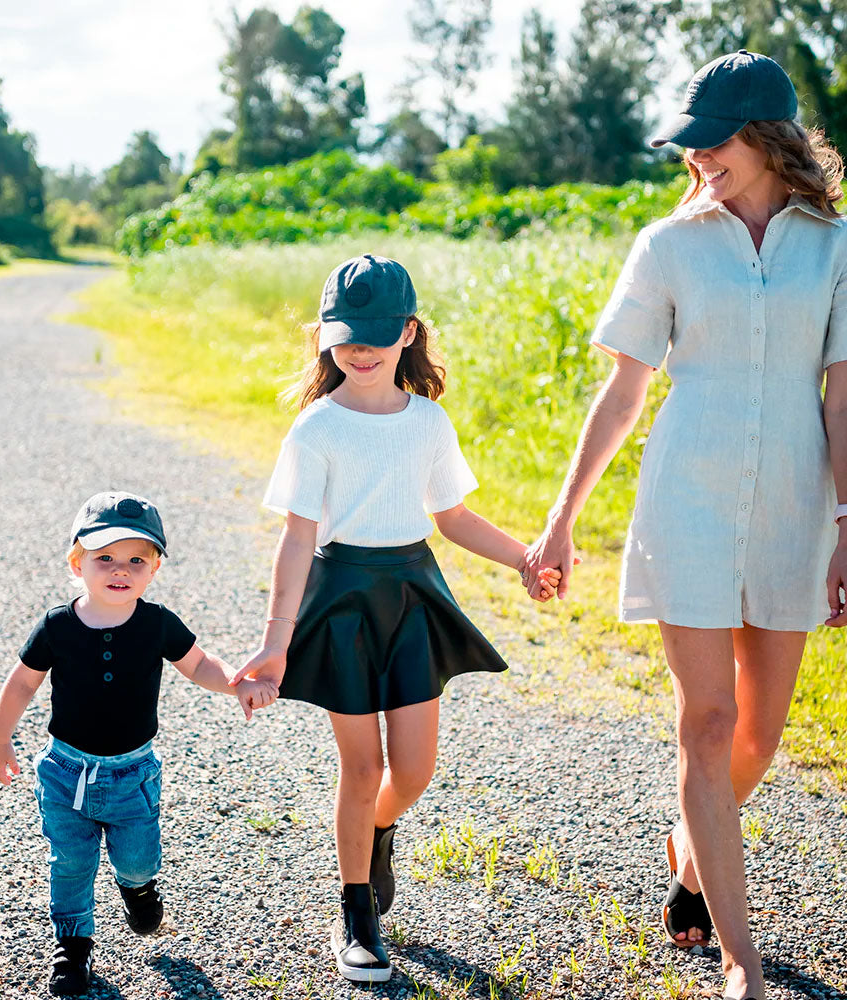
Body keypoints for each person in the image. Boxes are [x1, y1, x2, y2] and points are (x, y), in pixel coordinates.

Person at [522, 50, 847, 1000]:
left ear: (769, 138)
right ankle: (743, 961)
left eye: (713, 142)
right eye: (688, 147)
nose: (697, 161)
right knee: (709, 721)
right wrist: (563, 518)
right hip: (683, 501)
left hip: (795, 509)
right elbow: (622, 393)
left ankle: (692, 848)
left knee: (760, 738)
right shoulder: (667, 245)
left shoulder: (845, 249)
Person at [231, 254, 559, 983]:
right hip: (341, 597)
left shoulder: (428, 422)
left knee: (411, 771)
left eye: (379, 334)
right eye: (347, 336)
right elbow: (296, 540)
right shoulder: (316, 429)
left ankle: (378, 830)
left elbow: (454, 517)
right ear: (325, 337)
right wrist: (273, 645)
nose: (363, 349)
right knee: (362, 765)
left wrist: (524, 559)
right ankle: (356, 913)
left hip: (412, 595)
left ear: (409, 332)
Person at [0, 492, 274, 997]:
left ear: (154, 568)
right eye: (105, 558)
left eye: (136, 560)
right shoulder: (57, 625)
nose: (121, 570)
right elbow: (22, 683)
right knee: (71, 862)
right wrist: (0, 739)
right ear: (77, 563)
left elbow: (200, 664)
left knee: (137, 857)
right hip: (64, 771)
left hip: (132, 772)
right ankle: (72, 948)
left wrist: (238, 684)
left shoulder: (156, 623)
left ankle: (138, 886)